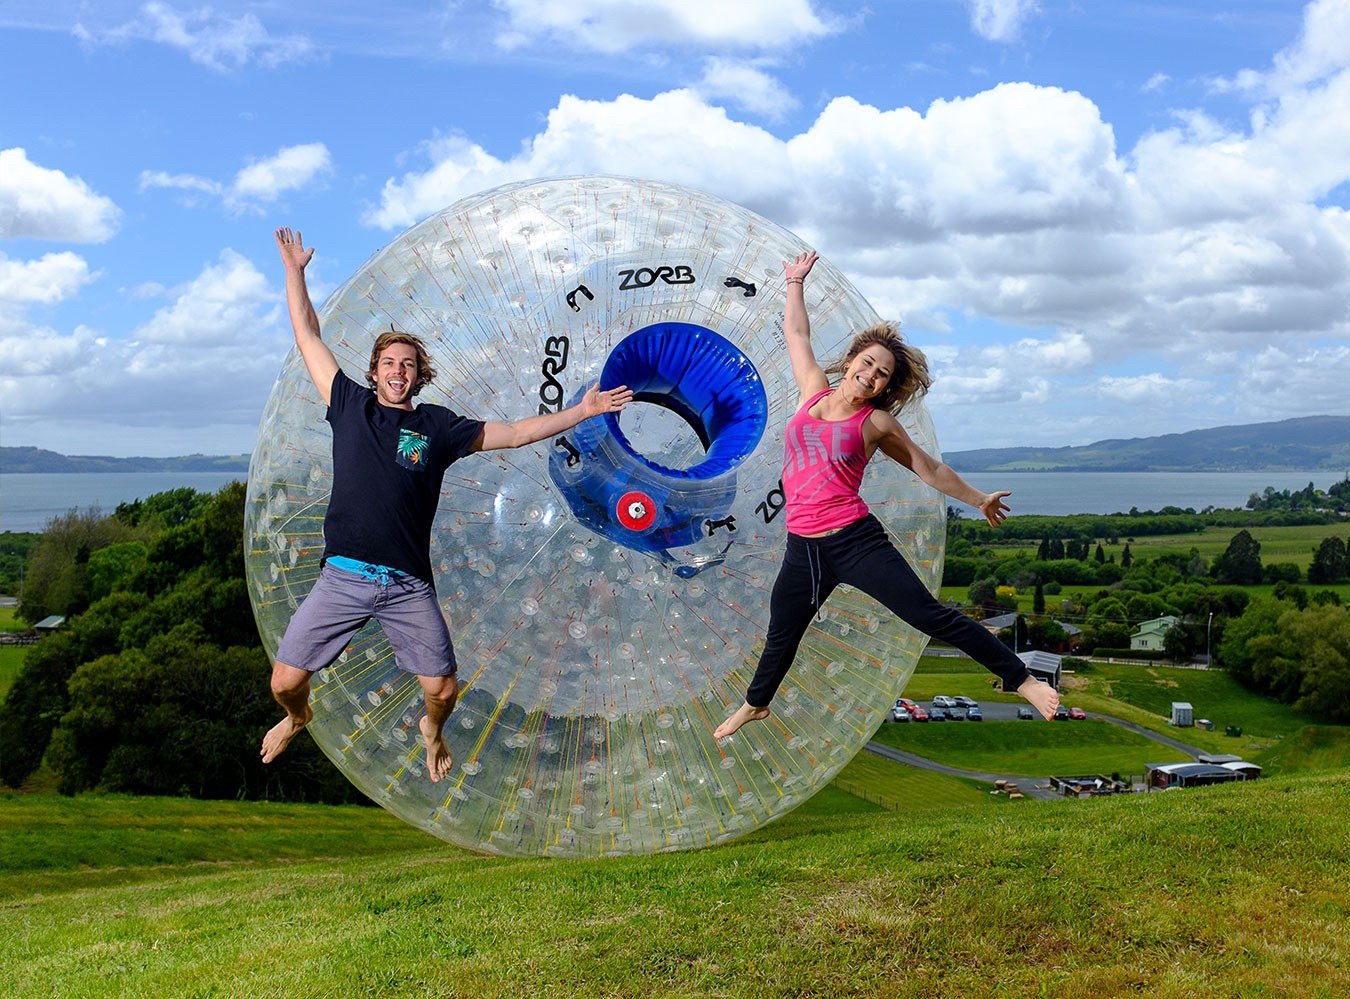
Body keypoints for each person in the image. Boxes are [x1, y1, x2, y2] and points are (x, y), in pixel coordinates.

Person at [260, 227, 632, 782]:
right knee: (284, 684)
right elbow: (308, 336)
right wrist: (294, 272)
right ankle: (298, 717)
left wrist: (582, 411)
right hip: (343, 576)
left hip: (407, 581)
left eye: (408, 363)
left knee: (443, 689)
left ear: (419, 373)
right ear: (374, 370)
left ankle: (431, 730)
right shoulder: (349, 405)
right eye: (389, 362)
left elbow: (512, 433)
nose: (398, 370)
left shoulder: (438, 425)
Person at [714, 250, 1061, 740]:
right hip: (803, 546)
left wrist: (978, 498)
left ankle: (1021, 679)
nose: (870, 374)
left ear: (885, 387)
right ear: (853, 359)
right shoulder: (813, 391)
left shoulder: (875, 423)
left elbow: (930, 468)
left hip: (855, 542)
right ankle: (755, 704)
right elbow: (797, 335)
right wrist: (795, 283)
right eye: (867, 362)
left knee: (929, 615)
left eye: (881, 374)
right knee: (782, 632)